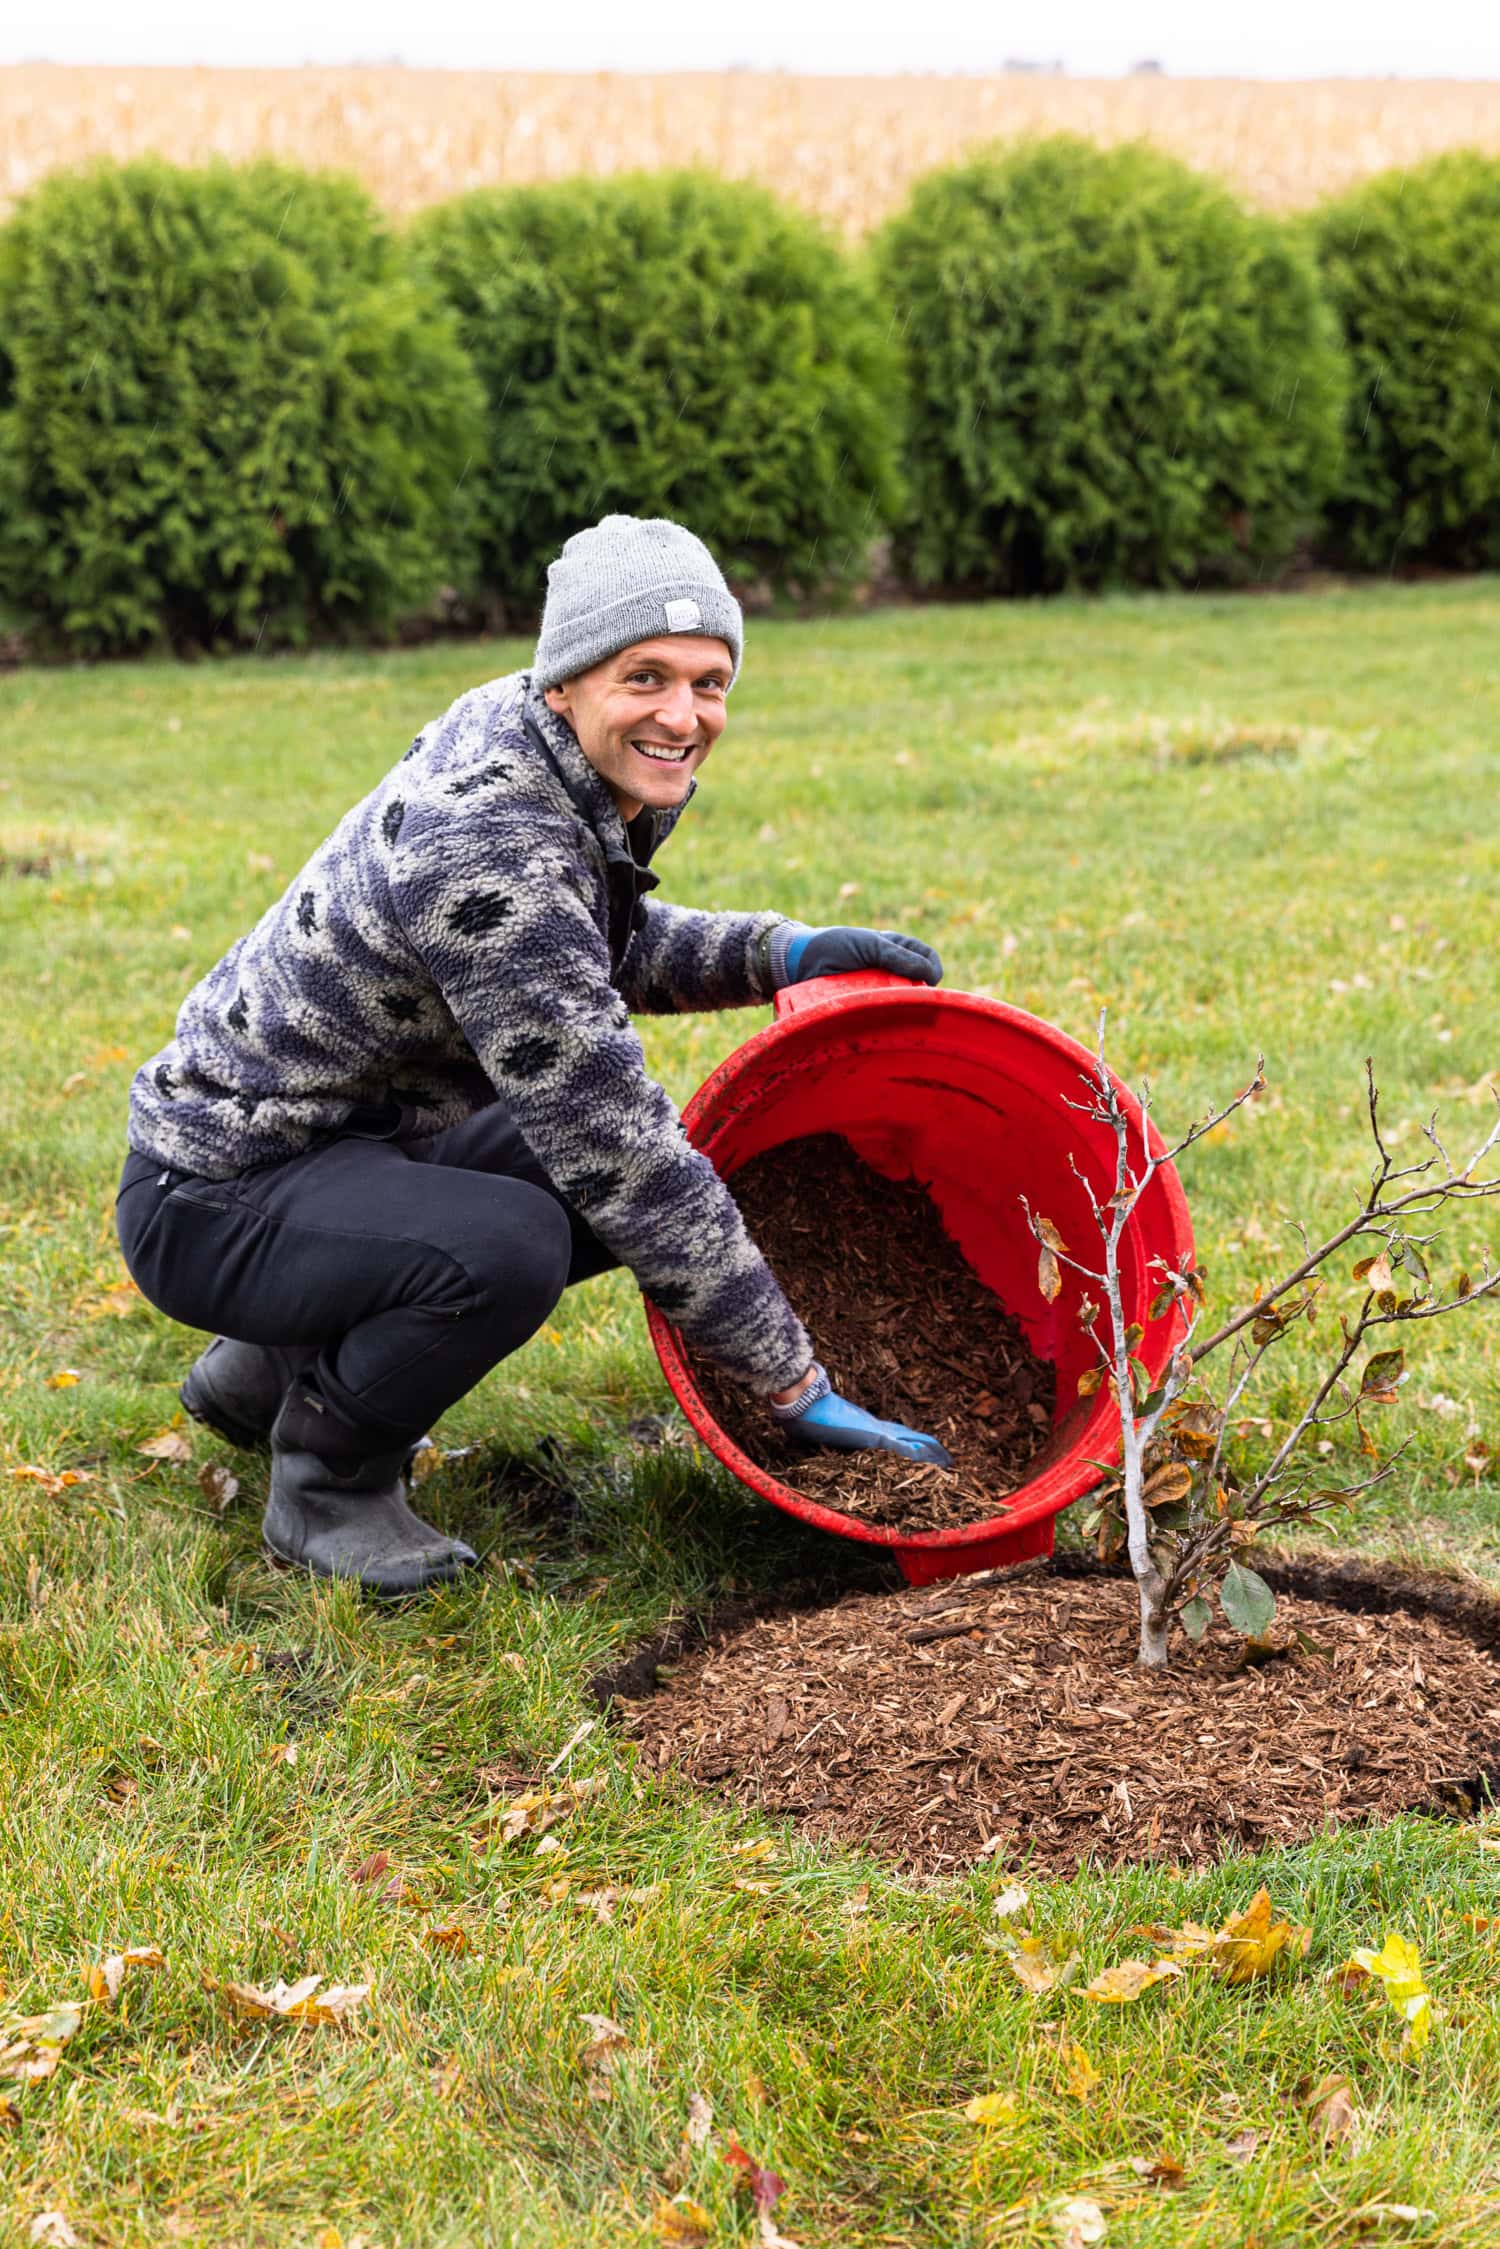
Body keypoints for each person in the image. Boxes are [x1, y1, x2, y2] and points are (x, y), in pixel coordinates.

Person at [115, 515, 950, 1596]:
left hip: (344, 1140)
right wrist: (795, 1383)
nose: (683, 714)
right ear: (567, 679)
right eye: (645, 675)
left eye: (710, 681)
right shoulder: (488, 834)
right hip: (216, 1189)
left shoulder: (536, 742)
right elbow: (623, 1151)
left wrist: (777, 950)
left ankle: (261, 1372)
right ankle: (326, 1475)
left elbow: (585, 936)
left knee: (564, 1184)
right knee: (513, 1240)